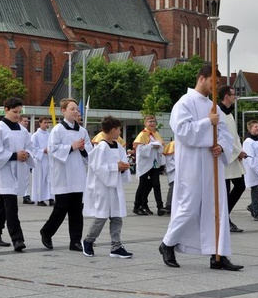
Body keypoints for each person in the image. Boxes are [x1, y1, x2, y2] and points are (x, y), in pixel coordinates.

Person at [158, 65, 243, 271]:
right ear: (202, 78)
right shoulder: (184, 103)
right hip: (192, 164)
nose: (216, 86)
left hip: (212, 164)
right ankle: (167, 243)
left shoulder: (213, 105)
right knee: (189, 206)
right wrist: (207, 123)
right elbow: (183, 131)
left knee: (217, 208)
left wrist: (220, 146)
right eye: (213, 82)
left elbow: (225, 134)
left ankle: (218, 255)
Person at [40, 98, 92, 252]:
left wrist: (83, 149)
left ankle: (75, 241)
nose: (76, 111)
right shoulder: (57, 130)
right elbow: (53, 149)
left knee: (77, 210)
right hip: (62, 174)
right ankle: (47, 232)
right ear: (63, 111)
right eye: (72, 109)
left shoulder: (82, 131)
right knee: (61, 208)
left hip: (77, 175)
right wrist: (71, 146)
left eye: (77, 109)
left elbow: (89, 150)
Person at [0, 97, 35, 252]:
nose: (17, 115)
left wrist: (27, 154)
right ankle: (17, 238)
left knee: (3, 206)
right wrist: (14, 156)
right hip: (4, 171)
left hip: (18, 170)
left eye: (19, 112)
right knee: (11, 206)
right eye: (15, 112)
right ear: (6, 109)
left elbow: (30, 146)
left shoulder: (22, 129)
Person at [82, 116, 132, 258]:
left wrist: (123, 168)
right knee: (101, 216)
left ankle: (116, 246)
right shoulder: (101, 147)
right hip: (103, 187)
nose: (120, 133)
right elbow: (98, 168)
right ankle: (88, 241)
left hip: (115, 186)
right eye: (118, 130)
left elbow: (122, 162)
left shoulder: (118, 146)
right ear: (112, 130)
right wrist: (115, 167)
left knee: (117, 216)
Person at [218, 86, 246, 232]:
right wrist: (237, 151)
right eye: (233, 95)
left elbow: (234, 136)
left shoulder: (229, 114)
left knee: (240, 185)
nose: (235, 97)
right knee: (225, 189)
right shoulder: (219, 113)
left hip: (233, 155)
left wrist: (240, 151)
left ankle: (224, 217)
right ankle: (224, 220)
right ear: (226, 97)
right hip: (225, 156)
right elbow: (223, 137)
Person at [132, 115, 165, 216]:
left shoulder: (156, 134)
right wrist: (151, 146)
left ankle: (160, 207)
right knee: (142, 185)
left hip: (154, 163)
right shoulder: (142, 135)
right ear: (145, 123)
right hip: (145, 164)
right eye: (150, 121)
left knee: (156, 185)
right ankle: (137, 206)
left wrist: (158, 147)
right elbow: (140, 150)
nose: (152, 123)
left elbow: (162, 147)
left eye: (154, 121)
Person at [31, 117, 53, 207]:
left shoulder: (50, 134)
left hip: (48, 159)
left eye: (48, 123)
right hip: (39, 160)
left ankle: (51, 198)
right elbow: (32, 148)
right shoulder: (35, 135)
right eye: (45, 122)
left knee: (50, 179)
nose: (47, 124)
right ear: (40, 123)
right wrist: (42, 150)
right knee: (40, 179)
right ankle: (40, 199)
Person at [20, 115, 34, 205]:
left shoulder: (28, 134)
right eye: (24, 121)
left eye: (27, 121)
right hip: (16, 157)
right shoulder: (17, 131)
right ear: (20, 121)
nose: (26, 122)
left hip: (25, 157)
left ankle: (26, 195)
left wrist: (28, 153)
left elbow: (30, 146)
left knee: (25, 178)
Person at [162, 139, 175, 215]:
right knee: (173, 188)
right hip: (175, 171)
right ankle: (169, 205)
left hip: (184, 171)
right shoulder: (172, 144)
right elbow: (169, 159)